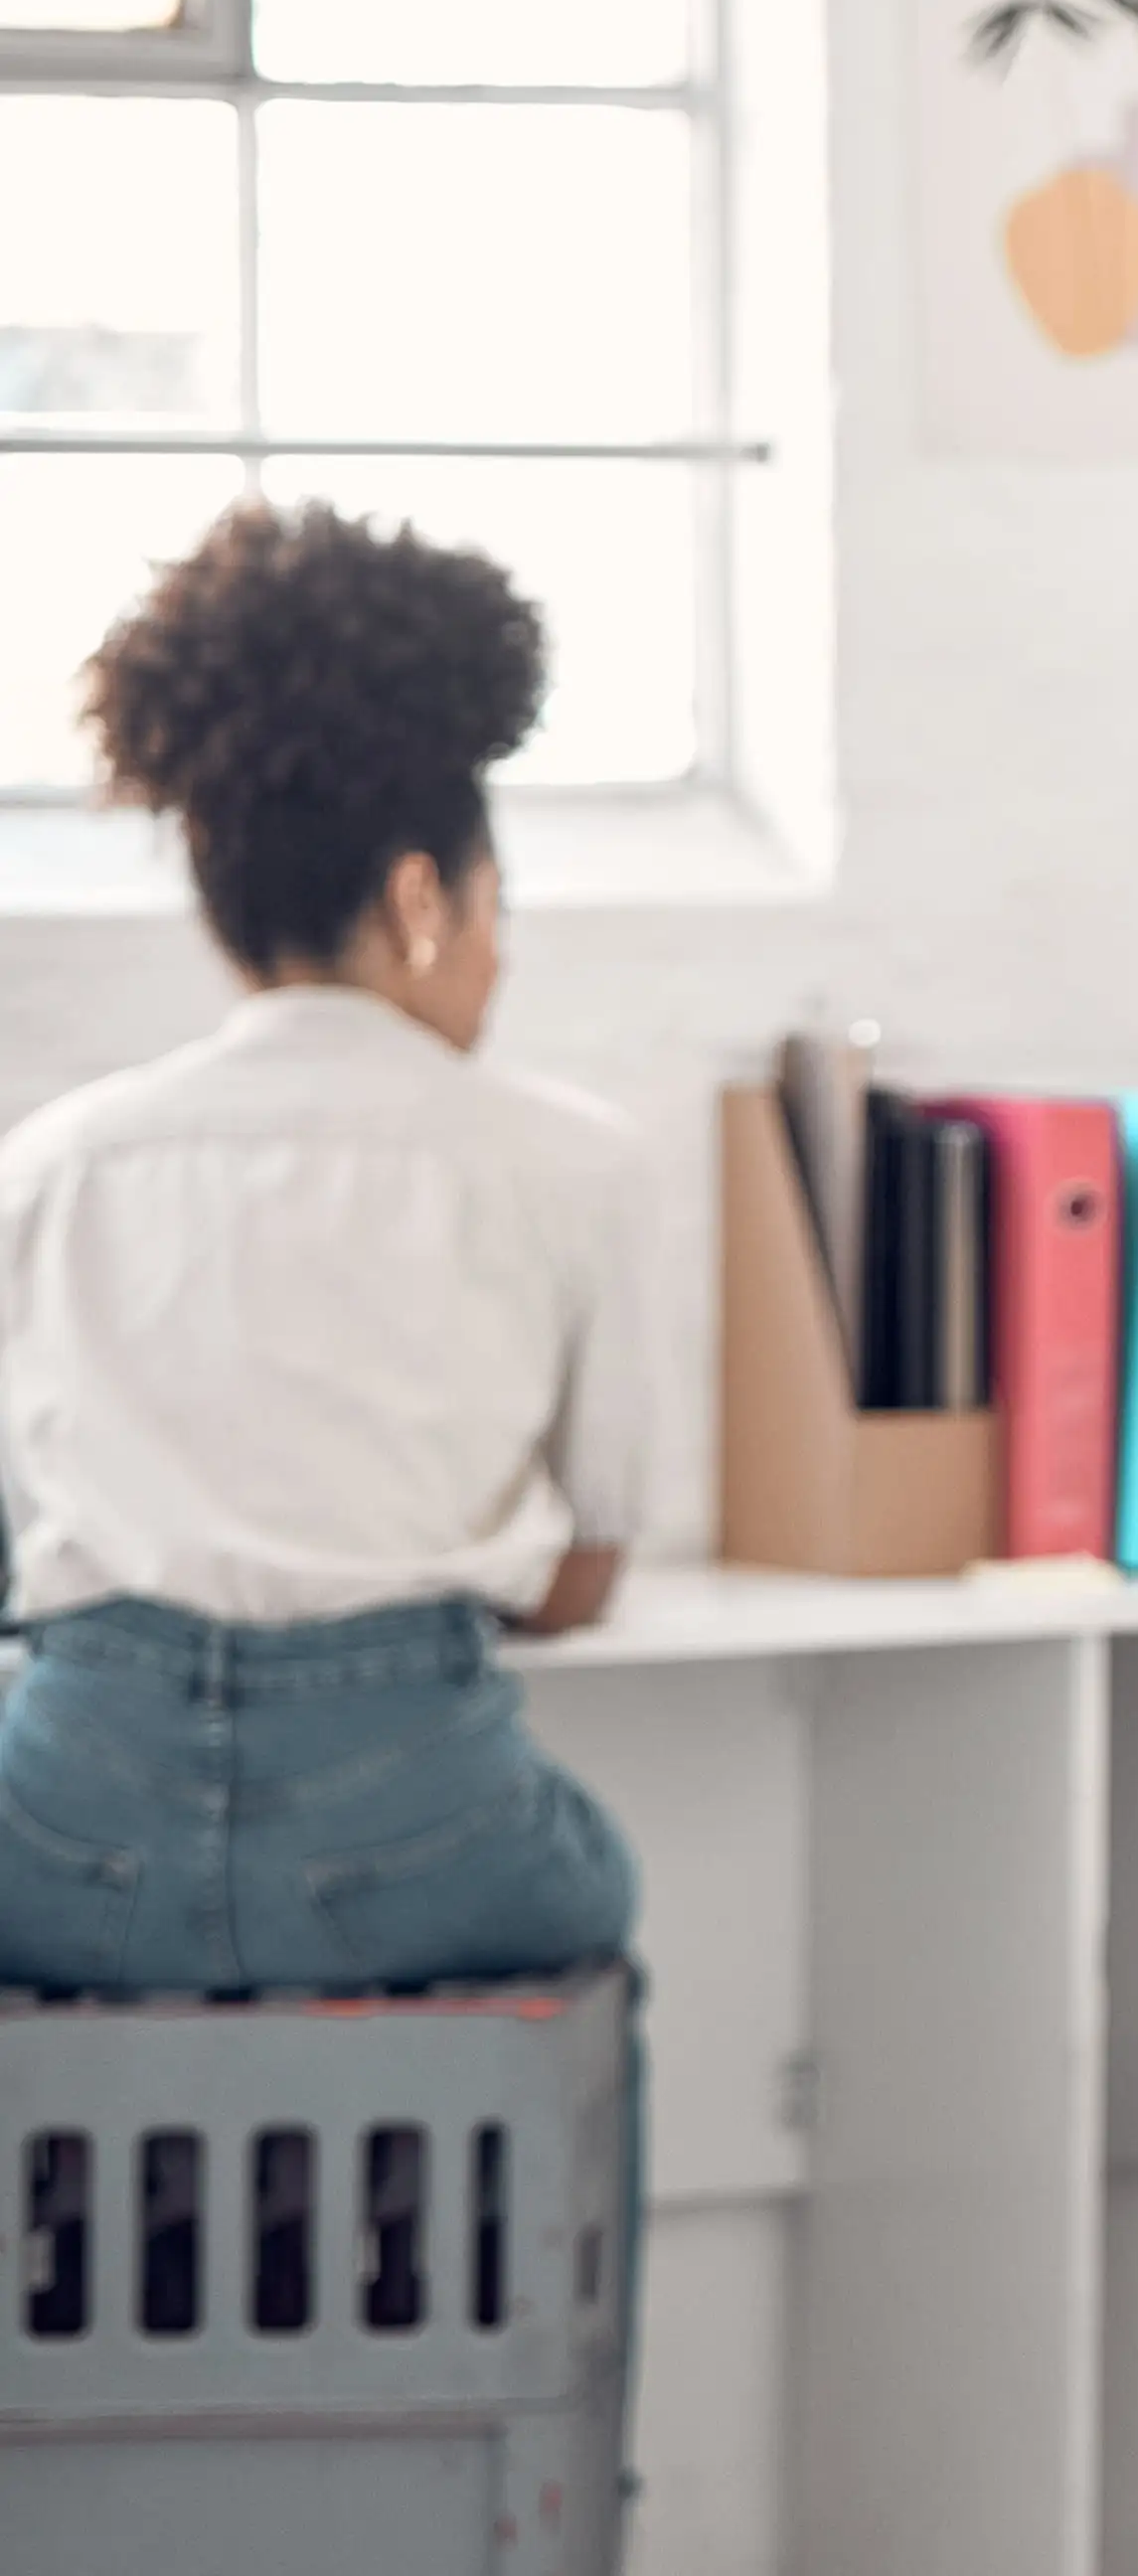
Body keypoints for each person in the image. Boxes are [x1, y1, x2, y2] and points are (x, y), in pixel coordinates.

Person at [0, 500, 645, 2000]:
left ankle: (148, 2236)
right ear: (427, 898)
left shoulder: (52, 1163)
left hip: (67, 1837)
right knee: (591, 1891)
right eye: (498, 906)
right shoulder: (575, 1163)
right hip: (413, 1829)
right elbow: (584, 1575)